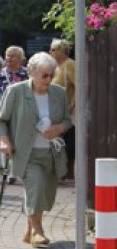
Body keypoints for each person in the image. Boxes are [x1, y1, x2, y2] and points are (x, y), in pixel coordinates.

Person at [0, 52, 72, 248]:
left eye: (51, 75)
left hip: (52, 152)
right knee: (35, 188)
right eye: (44, 75)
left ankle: (29, 230)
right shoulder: (16, 92)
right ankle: (38, 231)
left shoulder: (58, 93)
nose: (48, 79)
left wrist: (58, 128)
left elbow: (67, 121)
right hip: (27, 152)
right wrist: (4, 141)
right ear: (32, 73)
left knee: (45, 193)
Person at [50, 38, 76, 177]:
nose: (50, 52)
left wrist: (73, 104)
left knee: (69, 142)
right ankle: (62, 172)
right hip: (56, 110)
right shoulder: (54, 66)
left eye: (53, 49)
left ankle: (69, 172)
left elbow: (81, 85)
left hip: (68, 111)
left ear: (62, 51)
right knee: (59, 140)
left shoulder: (70, 65)